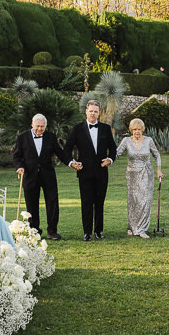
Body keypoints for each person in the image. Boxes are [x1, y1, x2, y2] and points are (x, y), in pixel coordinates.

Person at [11, 113, 71, 240]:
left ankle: (52, 231)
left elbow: (60, 153)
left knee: (52, 202)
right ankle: (35, 231)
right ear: (32, 125)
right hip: (29, 175)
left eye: (42, 127)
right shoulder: (22, 137)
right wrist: (19, 167)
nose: (39, 129)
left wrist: (71, 163)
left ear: (45, 126)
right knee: (31, 205)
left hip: (48, 175)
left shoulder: (50, 137)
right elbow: (16, 156)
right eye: (37, 126)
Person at [63, 100, 117, 241]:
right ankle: (87, 232)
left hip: (101, 172)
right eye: (91, 111)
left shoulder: (106, 128)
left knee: (99, 203)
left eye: (96, 111)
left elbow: (113, 148)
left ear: (99, 113)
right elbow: (66, 149)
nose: (93, 113)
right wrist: (71, 163)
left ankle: (98, 231)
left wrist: (110, 159)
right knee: (86, 203)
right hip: (84, 172)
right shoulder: (77, 129)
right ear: (86, 111)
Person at [115, 118, 162, 238]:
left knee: (144, 200)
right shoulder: (126, 140)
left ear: (142, 130)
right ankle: (132, 226)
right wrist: (107, 160)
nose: (137, 131)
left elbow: (156, 155)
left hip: (146, 173)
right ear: (131, 130)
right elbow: (117, 153)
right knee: (133, 201)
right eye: (135, 129)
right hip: (131, 175)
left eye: (139, 129)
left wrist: (159, 170)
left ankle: (141, 229)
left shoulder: (148, 140)